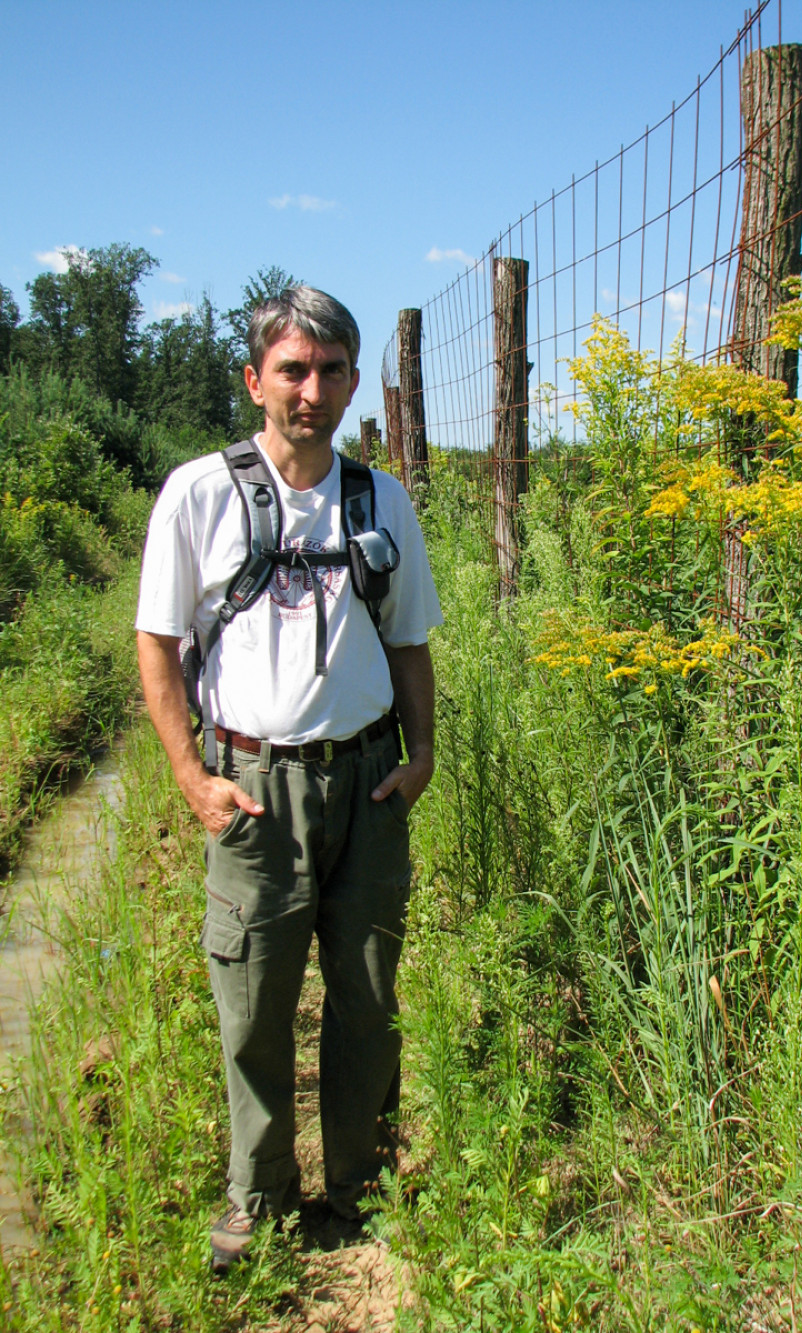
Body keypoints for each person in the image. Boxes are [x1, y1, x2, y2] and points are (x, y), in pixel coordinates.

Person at [135, 285, 441, 1272]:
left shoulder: (377, 498)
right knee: (254, 1004)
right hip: (252, 791)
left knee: (364, 997)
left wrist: (422, 753)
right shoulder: (198, 493)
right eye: (293, 370)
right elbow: (158, 641)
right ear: (255, 380)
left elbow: (408, 642)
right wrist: (192, 777)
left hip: (363, 782)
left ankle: (359, 1182)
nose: (313, 389)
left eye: (332, 370)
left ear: (356, 379)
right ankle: (257, 1200)